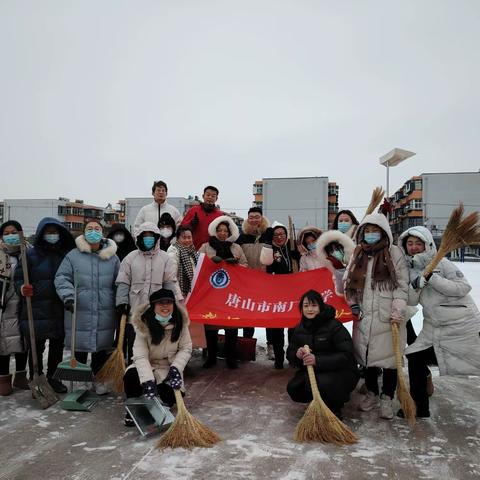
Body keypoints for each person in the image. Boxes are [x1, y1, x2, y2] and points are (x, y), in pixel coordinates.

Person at [398, 226, 480, 417]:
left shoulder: (442, 263)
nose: (414, 247)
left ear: (427, 244)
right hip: (434, 327)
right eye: (410, 243)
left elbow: (463, 287)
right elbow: (411, 300)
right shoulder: (409, 270)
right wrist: (416, 286)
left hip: (462, 324)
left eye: (418, 243)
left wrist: (433, 278)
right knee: (415, 356)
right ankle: (419, 407)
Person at [344, 213, 408, 419]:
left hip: (388, 315)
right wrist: (352, 304)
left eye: (375, 231)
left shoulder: (394, 252)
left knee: (389, 359)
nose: (371, 235)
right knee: (368, 356)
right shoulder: (358, 252)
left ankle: (387, 398)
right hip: (364, 314)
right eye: (367, 231)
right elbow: (348, 281)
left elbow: (401, 284)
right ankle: (371, 393)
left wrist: (397, 310)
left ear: (383, 232)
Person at [55, 220, 120, 395]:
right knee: (80, 346)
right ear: (83, 233)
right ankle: (80, 380)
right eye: (89, 229)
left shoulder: (112, 258)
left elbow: (119, 282)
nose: (93, 232)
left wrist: (120, 302)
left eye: (97, 229)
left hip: (104, 308)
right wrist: (68, 296)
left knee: (101, 346)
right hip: (79, 307)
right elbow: (62, 278)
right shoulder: (73, 256)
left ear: (103, 232)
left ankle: (99, 378)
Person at [15, 217, 75, 394]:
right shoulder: (30, 255)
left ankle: (54, 378)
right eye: (48, 232)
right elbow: (18, 277)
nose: (52, 235)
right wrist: (22, 288)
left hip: (58, 307)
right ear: (42, 234)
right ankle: (37, 377)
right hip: (35, 308)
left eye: (55, 232)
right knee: (36, 346)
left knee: (57, 346)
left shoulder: (65, 254)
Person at [115, 222, 182, 365]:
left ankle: (153, 373)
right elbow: (123, 281)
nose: (148, 239)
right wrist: (121, 302)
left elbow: (170, 282)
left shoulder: (165, 258)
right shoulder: (131, 257)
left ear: (156, 237)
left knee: (155, 343)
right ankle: (133, 370)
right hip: (135, 308)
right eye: (144, 236)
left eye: (151, 236)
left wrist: (171, 304)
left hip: (157, 310)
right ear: (139, 238)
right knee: (134, 342)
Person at [123, 288, 192, 427]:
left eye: (168, 302)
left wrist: (176, 369)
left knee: (168, 395)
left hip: (168, 369)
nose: (165, 306)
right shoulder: (143, 325)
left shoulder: (181, 323)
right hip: (147, 366)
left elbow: (186, 348)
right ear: (153, 306)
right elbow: (140, 356)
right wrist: (148, 381)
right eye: (160, 303)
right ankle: (136, 407)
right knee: (130, 377)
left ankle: (155, 406)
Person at [287, 290, 359, 417]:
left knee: (324, 383)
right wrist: (296, 355)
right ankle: (319, 402)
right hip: (315, 372)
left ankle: (334, 406)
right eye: (306, 306)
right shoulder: (299, 328)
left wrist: (317, 360)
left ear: (320, 306)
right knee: (294, 387)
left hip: (341, 372)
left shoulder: (334, 326)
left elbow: (346, 355)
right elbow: (290, 353)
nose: (310, 309)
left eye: (314, 305)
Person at [199, 215, 247, 369]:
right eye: (219, 230)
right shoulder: (206, 247)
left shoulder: (236, 248)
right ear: (215, 231)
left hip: (231, 294)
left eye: (225, 231)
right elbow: (197, 265)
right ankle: (211, 357)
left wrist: (237, 264)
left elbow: (246, 267)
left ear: (230, 232)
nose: (222, 233)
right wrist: (210, 262)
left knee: (231, 326)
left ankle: (231, 358)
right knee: (211, 327)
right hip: (211, 294)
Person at [260, 221, 300, 369]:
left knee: (293, 327)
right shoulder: (270, 249)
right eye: (276, 235)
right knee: (277, 328)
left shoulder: (292, 248)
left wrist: (298, 255)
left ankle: (292, 356)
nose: (279, 237)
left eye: (282, 234)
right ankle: (278, 357)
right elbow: (265, 261)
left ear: (286, 235)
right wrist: (267, 243)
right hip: (276, 294)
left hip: (293, 293)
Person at [0, 221, 29, 395]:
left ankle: (20, 376)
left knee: (23, 340)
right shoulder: (1, 254)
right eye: (6, 232)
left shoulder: (27, 252)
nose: (10, 235)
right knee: (5, 340)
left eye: (14, 232)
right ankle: (3, 377)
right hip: (5, 304)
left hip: (24, 302)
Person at [236, 207, 270, 339]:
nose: (254, 219)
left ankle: (270, 344)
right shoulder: (242, 237)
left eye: (257, 217)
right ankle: (247, 341)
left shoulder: (269, 234)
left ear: (262, 218)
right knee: (248, 312)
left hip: (266, 280)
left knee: (268, 313)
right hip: (247, 281)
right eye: (251, 217)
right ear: (247, 219)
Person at [315, 229, 355, 295]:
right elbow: (341, 292)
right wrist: (340, 269)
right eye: (331, 251)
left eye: (337, 249)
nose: (335, 253)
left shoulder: (356, 260)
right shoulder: (335, 272)